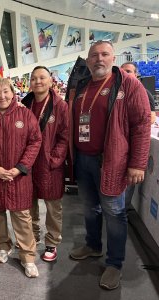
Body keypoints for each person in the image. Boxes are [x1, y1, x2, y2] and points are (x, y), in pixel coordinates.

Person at [67, 41, 151, 290]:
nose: (98, 59)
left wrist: (137, 164)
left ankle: (115, 264)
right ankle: (93, 246)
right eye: (94, 55)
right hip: (83, 159)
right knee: (90, 208)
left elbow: (142, 125)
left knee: (115, 213)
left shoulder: (128, 84)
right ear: (88, 60)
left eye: (104, 54)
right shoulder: (82, 86)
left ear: (113, 57)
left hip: (112, 161)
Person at [0, 77, 42, 278]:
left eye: (6, 92)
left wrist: (20, 168)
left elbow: (35, 141)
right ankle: (4, 245)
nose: (2, 96)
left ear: (13, 93)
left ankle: (28, 256)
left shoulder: (25, 114)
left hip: (18, 177)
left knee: (21, 216)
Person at [22, 66, 69, 262]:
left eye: (42, 78)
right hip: (28, 162)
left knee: (52, 206)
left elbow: (64, 136)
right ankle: (32, 236)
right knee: (28, 203)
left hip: (50, 164)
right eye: (34, 78)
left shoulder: (60, 106)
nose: (38, 81)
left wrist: (54, 159)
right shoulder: (24, 104)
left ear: (51, 81)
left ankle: (52, 241)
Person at [121, 62, 156, 210]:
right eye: (122, 71)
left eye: (128, 71)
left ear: (136, 74)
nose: (125, 74)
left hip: (132, 147)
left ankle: (123, 213)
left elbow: (150, 119)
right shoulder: (115, 92)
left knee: (126, 191)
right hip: (117, 149)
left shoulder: (143, 93)